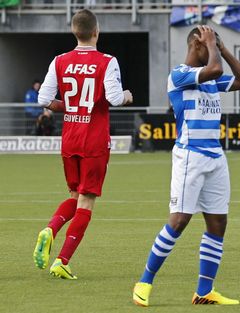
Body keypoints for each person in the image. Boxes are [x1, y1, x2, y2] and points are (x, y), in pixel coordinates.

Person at [132, 25, 240, 307]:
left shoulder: (212, 77)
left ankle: (204, 290)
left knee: (217, 222)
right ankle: (144, 281)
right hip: (190, 155)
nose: (215, 52)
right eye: (210, 44)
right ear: (196, 44)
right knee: (179, 221)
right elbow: (212, 70)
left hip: (215, 156)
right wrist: (213, 46)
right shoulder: (180, 75)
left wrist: (222, 48)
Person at [33, 9, 133, 279]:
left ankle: (51, 229)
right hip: (94, 141)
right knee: (86, 202)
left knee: (74, 195)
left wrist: (67, 105)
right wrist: (126, 95)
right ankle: (62, 260)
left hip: (70, 139)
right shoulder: (107, 61)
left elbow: (43, 99)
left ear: (74, 31)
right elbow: (112, 98)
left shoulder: (60, 60)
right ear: (97, 32)